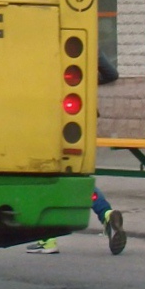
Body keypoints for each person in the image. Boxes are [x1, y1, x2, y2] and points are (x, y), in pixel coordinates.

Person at [28, 52, 127, 255]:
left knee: (44, 172)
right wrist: (86, 85)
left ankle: (47, 239)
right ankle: (106, 214)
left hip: (47, 113)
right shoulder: (83, 44)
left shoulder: (38, 42)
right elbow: (111, 74)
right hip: (79, 116)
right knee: (74, 174)